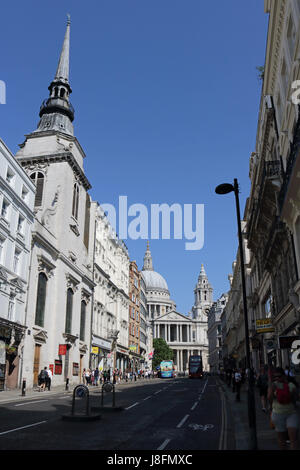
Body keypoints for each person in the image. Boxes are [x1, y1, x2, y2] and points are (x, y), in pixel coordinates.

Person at [268, 367, 299, 450]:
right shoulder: (273, 385)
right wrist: (271, 389)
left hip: (291, 413)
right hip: (278, 413)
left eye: (279, 376)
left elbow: (296, 399)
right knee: (282, 440)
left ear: (283, 376)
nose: (277, 378)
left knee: (294, 438)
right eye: (275, 377)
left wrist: (293, 394)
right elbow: (269, 399)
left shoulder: (290, 385)